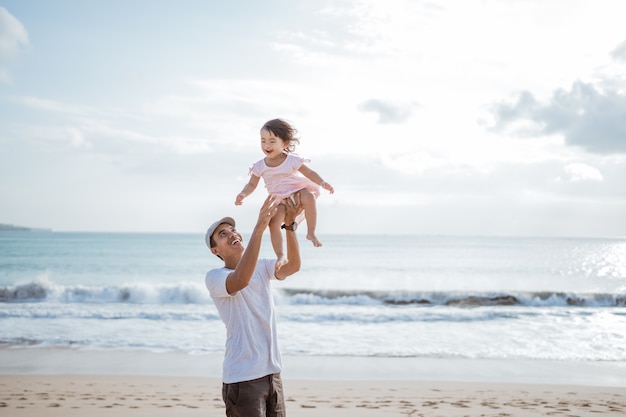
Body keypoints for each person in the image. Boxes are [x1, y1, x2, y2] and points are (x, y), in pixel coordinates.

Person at [205, 193, 303, 417]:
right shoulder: (215, 277)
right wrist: (259, 228)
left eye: (233, 230)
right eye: (223, 234)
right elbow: (241, 279)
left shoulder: (262, 266)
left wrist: (289, 226)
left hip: (272, 375)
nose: (232, 234)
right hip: (243, 378)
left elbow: (293, 266)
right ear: (215, 250)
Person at [235, 118, 334, 270]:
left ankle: (311, 232)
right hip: (278, 199)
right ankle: (281, 255)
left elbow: (309, 173)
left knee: (310, 197)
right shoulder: (259, 166)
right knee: (273, 223)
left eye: (272, 141)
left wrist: (322, 183)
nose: (267, 145)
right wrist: (243, 194)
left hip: (297, 191)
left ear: (285, 144)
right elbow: (252, 184)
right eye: (263, 141)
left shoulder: (292, 160)